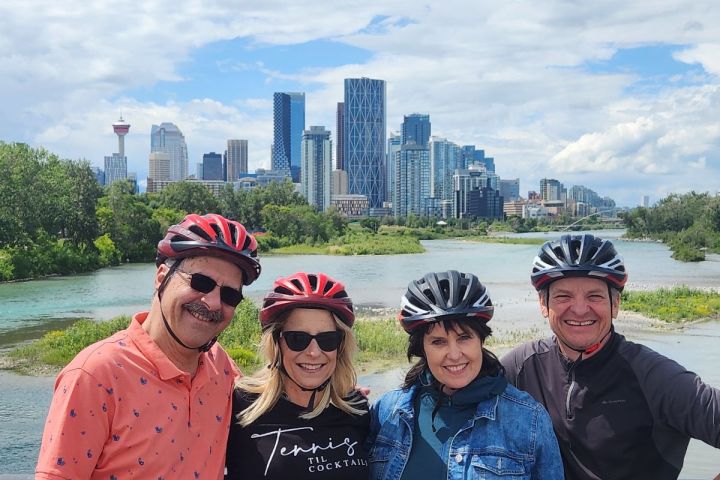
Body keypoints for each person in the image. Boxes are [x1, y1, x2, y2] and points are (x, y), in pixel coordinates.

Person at [36, 213, 261, 479]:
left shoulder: (220, 367)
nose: (213, 302)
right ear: (161, 277)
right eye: (201, 282)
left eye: (230, 295)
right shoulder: (95, 375)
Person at [501, 233, 720, 480]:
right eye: (564, 296)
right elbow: (461, 395)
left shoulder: (654, 377)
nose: (580, 309)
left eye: (594, 296)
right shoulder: (522, 366)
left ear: (615, 304)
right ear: (544, 303)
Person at [368, 270, 564, 479]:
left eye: (464, 337)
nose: (454, 354)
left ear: (481, 339)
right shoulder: (387, 412)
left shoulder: (529, 419)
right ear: (422, 349)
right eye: (438, 341)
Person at [225, 272, 369, 480]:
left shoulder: (356, 408)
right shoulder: (240, 407)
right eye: (297, 339)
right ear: (276, 343)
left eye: (327, 340)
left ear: (340, 347)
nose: (313, 352)